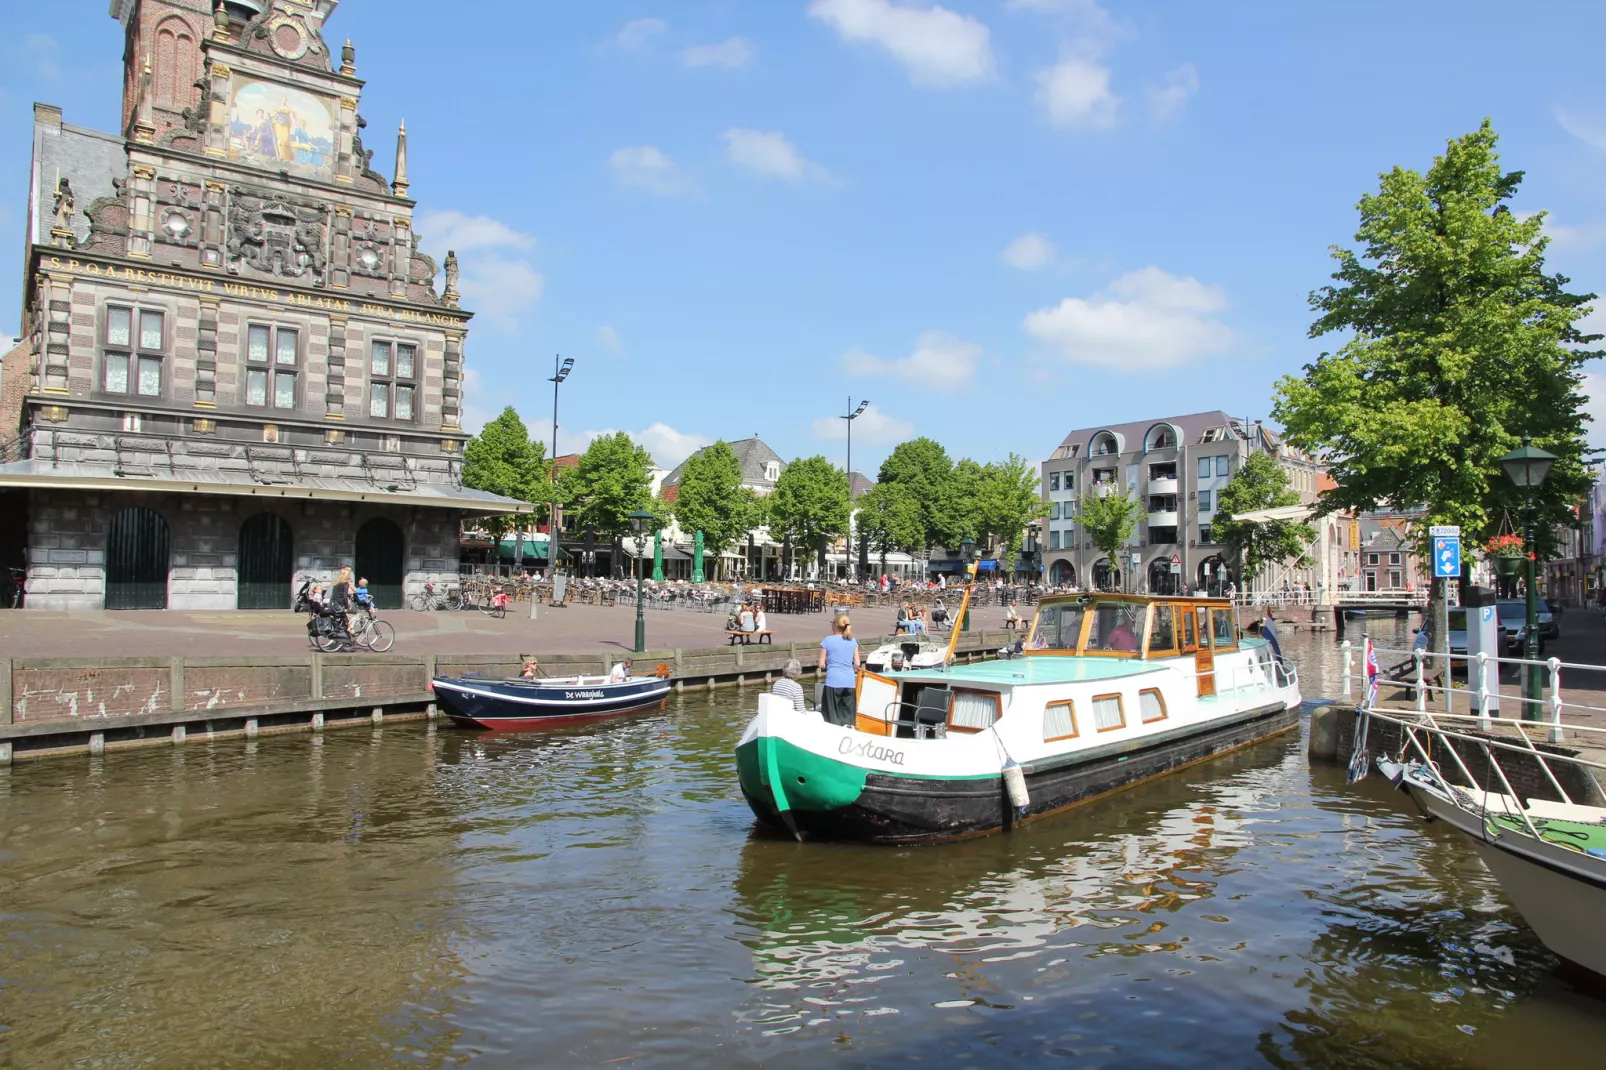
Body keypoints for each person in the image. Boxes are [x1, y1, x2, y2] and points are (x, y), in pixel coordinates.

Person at [817, 615, 860, 726]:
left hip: (833, 681)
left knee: (831, 717)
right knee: (848, 718)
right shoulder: (853, 641)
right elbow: (857, 663)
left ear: (835, 625)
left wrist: (827, 664)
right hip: (849, 682)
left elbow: (821, 664)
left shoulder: (827, 640)